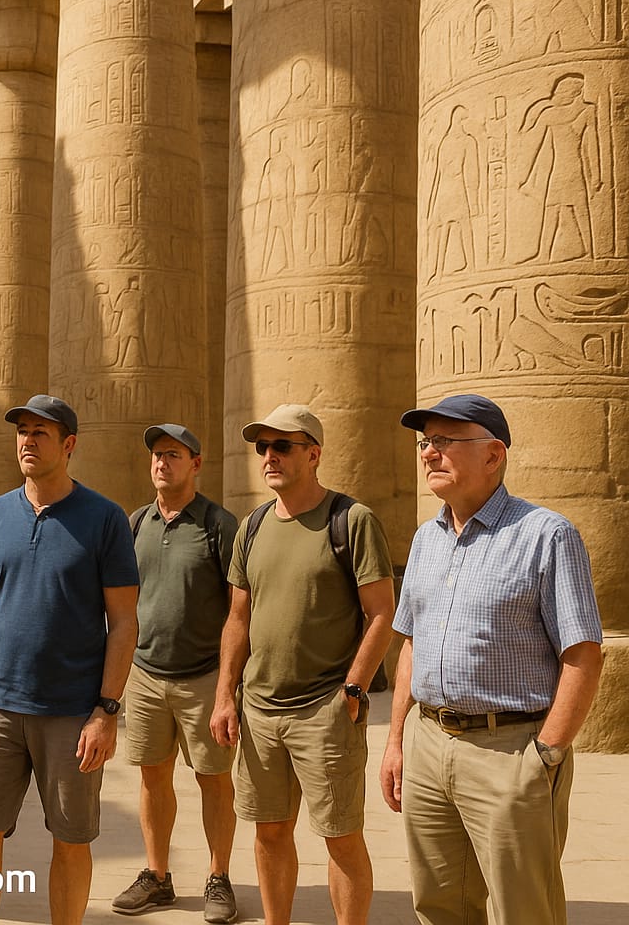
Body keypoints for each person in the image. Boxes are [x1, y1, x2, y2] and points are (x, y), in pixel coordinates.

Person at [380, 394, 602, 925]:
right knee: (437, 906)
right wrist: (395, 742)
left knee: (524, 909)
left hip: (510, 751)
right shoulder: (426, 539)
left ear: (493, 455)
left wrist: (544, 757)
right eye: (425, 442)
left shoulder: (546, 536)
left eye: (444, 441)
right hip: (429, 746)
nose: (429, 453)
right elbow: (411, 643)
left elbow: (584, 656)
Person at [0, 395, 140, 925]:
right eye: (22, 431)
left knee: (70, 841)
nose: (28, 440)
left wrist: (107, 709)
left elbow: (124, 621)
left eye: (42, 432)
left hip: (74, 712)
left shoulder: (104, 519)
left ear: (69, 445)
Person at [208, 403, 395, 925]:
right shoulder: (253, 525)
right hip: (260, 712)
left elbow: (382, 613)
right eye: (262, 447)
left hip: (325, 709)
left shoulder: (351, 520)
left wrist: (353, 692)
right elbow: (238, 619)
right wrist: (226, 695)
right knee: (268, 830)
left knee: (340, 837)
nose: (269, 456)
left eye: (281, 446)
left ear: (313, 454)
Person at [112, 424, 239, 923]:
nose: (161, 463)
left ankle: (219, 877)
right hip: (145, 674)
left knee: (214, 780)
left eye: (172, 454)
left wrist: (231, 684)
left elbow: (238, 610)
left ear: (196, 463)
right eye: (156, 455)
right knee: (152, 777)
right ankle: (157, 876)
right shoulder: (136, 522)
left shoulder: (218, 524)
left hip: (203, 676)